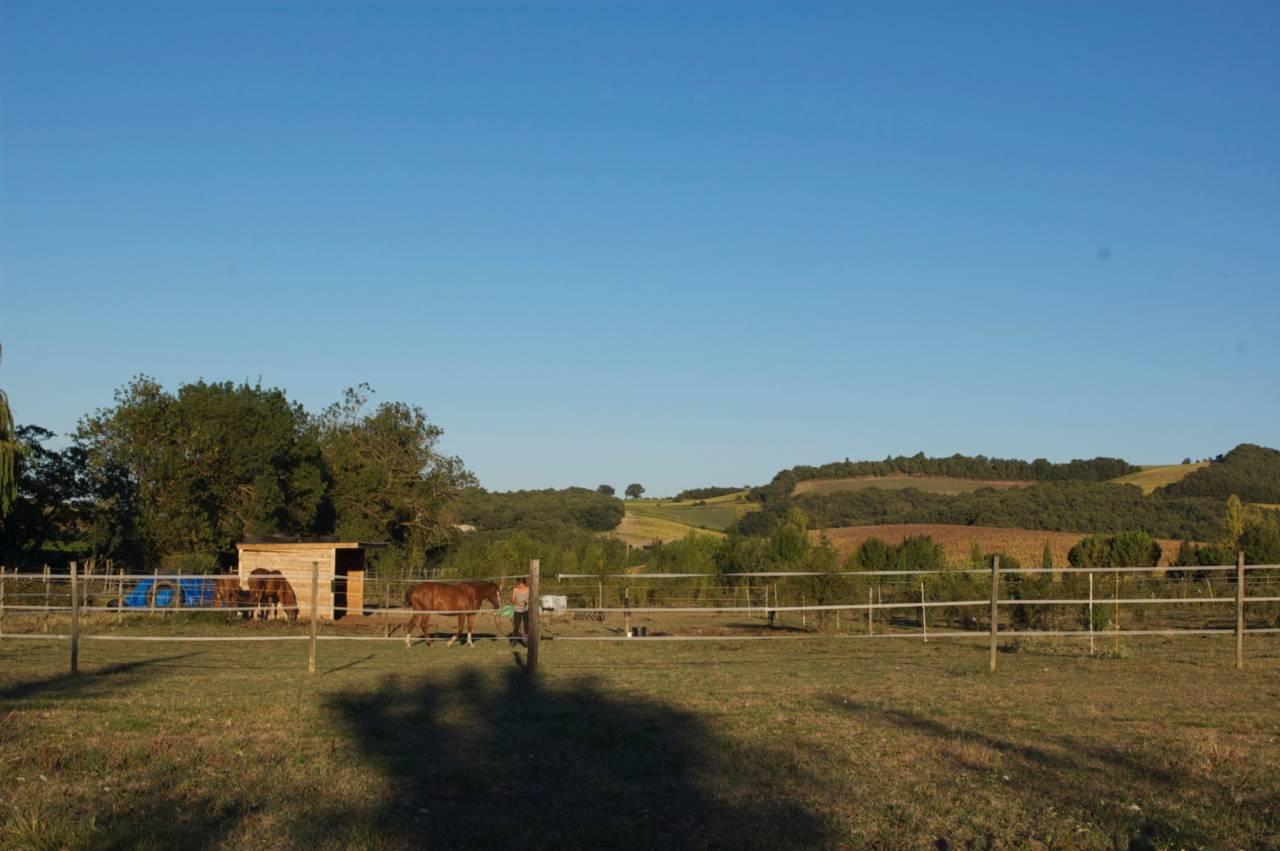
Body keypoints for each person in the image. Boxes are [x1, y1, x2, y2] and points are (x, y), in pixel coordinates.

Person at [510, 577, 530, 644]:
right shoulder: (515, 589)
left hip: (526, 610)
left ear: (523, 583)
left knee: (526, 625)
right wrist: (517, 603)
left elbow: (532, 598)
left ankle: (527, 640)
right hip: (517, 609)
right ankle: (514, 639)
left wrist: (527, 601)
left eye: (519, 584)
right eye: (517, 583)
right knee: (516, 625)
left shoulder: (528, 589)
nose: (518, 585)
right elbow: (512, 599)